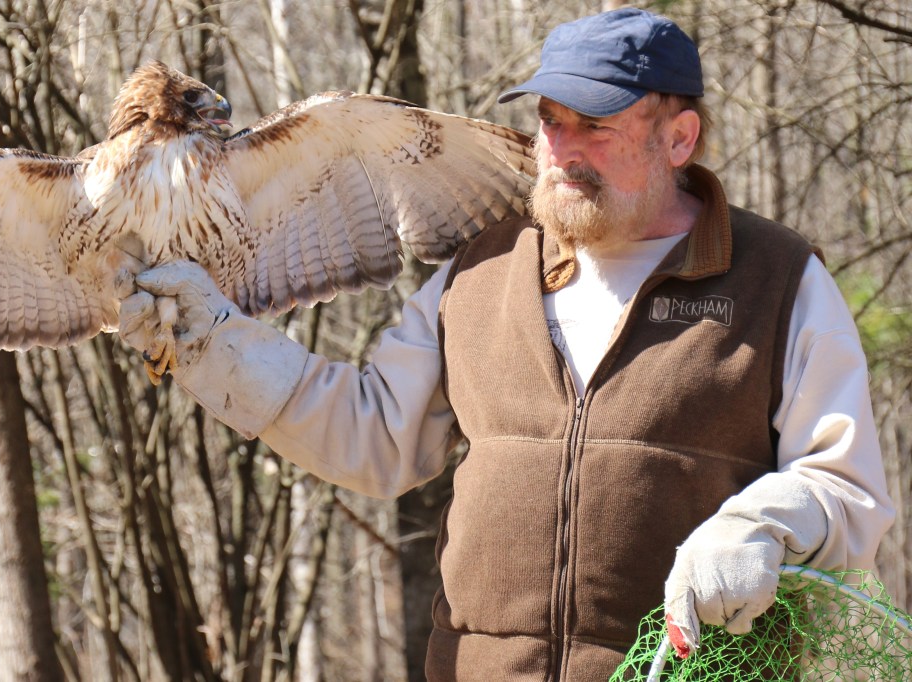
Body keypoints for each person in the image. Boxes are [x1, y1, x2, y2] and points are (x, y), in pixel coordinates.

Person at [118, 8, 894, 681]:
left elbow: (848, 490)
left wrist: (759, 525)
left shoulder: (777, 277)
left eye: (596, 124)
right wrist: (215, 343)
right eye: (550, 120)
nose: (560, 148)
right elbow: (375, 434)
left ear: (679, 138)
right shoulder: (485, 268)